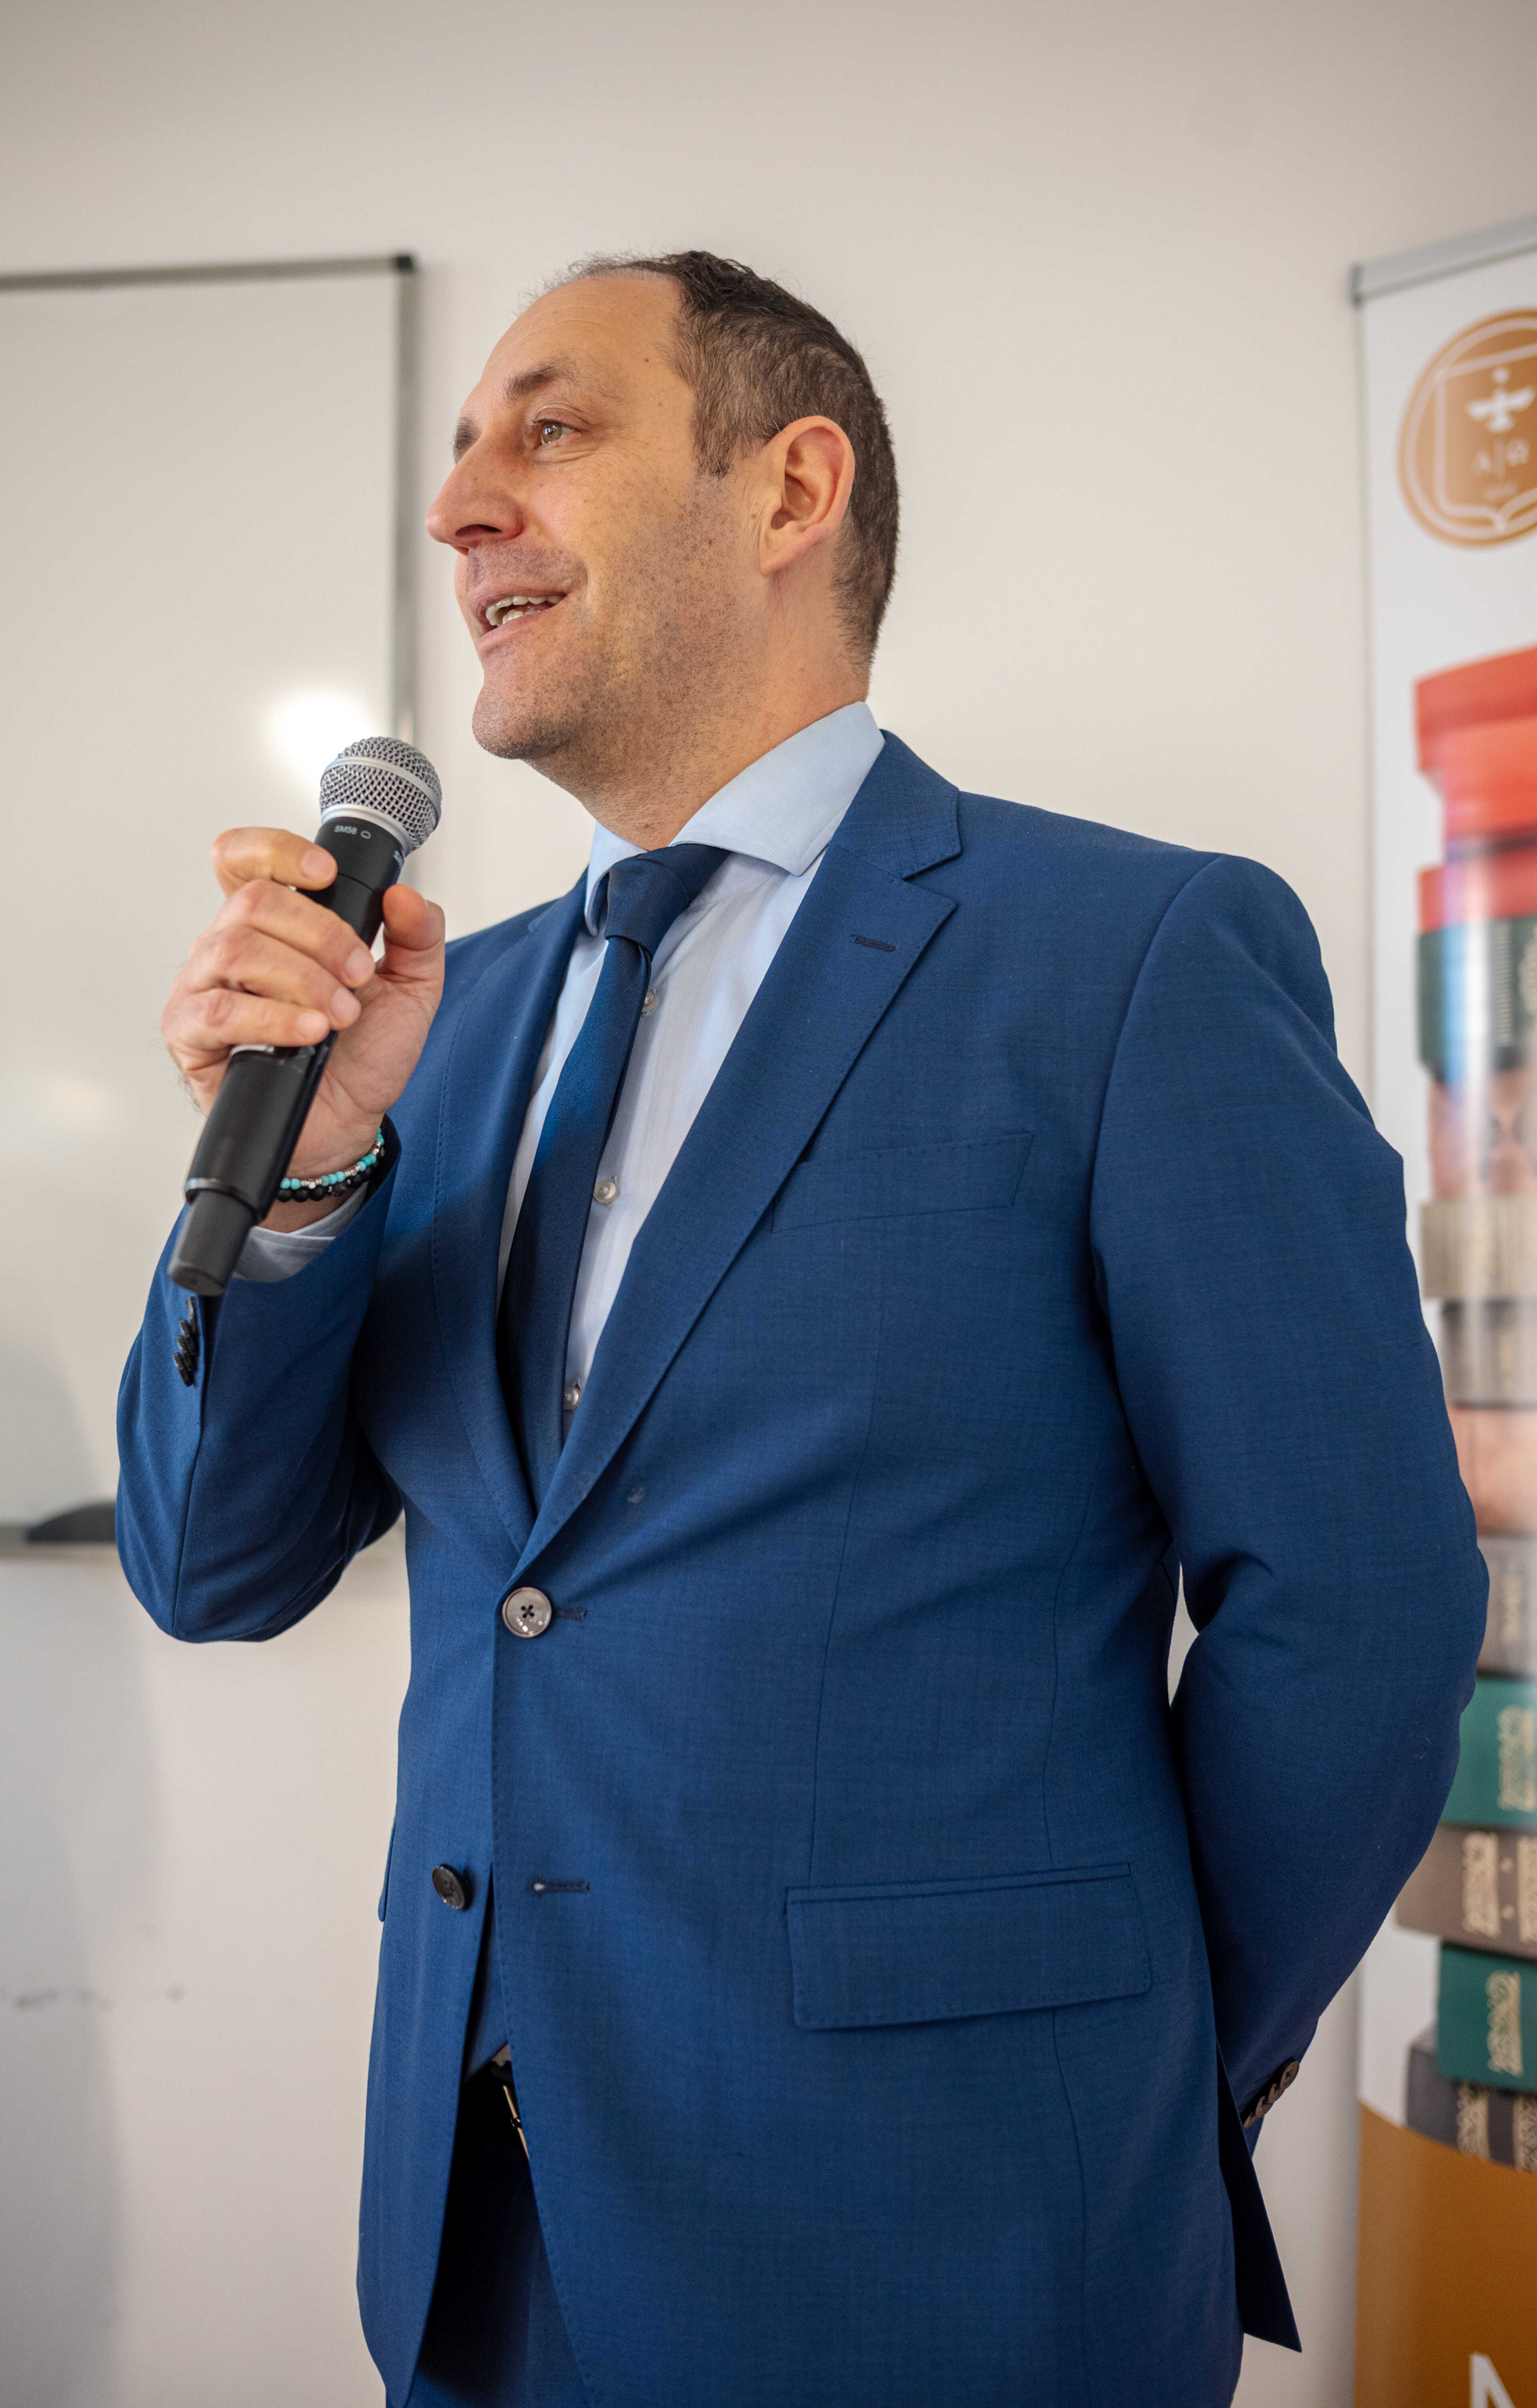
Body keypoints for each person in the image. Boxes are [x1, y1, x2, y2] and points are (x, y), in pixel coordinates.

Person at [117, 252, 1484, 2408]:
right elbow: (214, 1566)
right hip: (483, 2246)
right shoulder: (436, 1020)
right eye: (459, 455)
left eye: (550, 430)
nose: (460, 506)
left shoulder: (1131, 957)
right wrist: (303, 1171)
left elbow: (1359, 1605)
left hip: (966, 2244)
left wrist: (1122, 2061)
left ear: (790, 489)